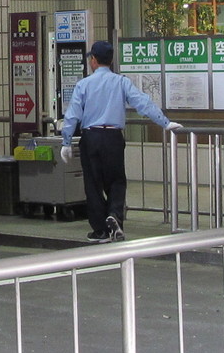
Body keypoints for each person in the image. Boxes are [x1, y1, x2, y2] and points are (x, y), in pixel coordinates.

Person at [60, 40, 181, 244]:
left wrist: (66, 141)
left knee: (93, 184)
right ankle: (114, 216)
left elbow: (72, 115)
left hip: (90, 137)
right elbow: (143, 103)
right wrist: (165, 123)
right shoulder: (122, 82)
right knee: (116, 181)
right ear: (111, 59)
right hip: (114, 137)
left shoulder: (84, 84)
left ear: (94, 60)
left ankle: (100, 231)